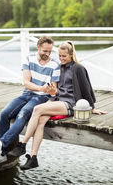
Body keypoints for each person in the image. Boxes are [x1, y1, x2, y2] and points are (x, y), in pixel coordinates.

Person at [11, 41, 107, 170]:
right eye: (60, 56)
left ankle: (22, 144)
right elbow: (55, 89)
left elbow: (86, 88)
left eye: (64, 56)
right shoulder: (59, 67)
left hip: (71, 103)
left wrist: (92, 107)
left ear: (71, 55)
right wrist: (50, 92)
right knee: (40, 120)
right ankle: (33, 158)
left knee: (37, 109)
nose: (61, 59)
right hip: (58, 100)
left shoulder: (78, 68)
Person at [0, 36, 60, 168]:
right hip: (27, 93)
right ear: (38, 47)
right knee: (4, 113)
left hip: (41, 98)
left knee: (23, 113)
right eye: (45, 51)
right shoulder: (29, 59)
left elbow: (54, 91)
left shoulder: (55, 65)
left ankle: (0, 145)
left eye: (50, 51)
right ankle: (0, 155)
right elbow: (26, 82)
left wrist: (50, 91)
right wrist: (41, 87)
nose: (47, 54)